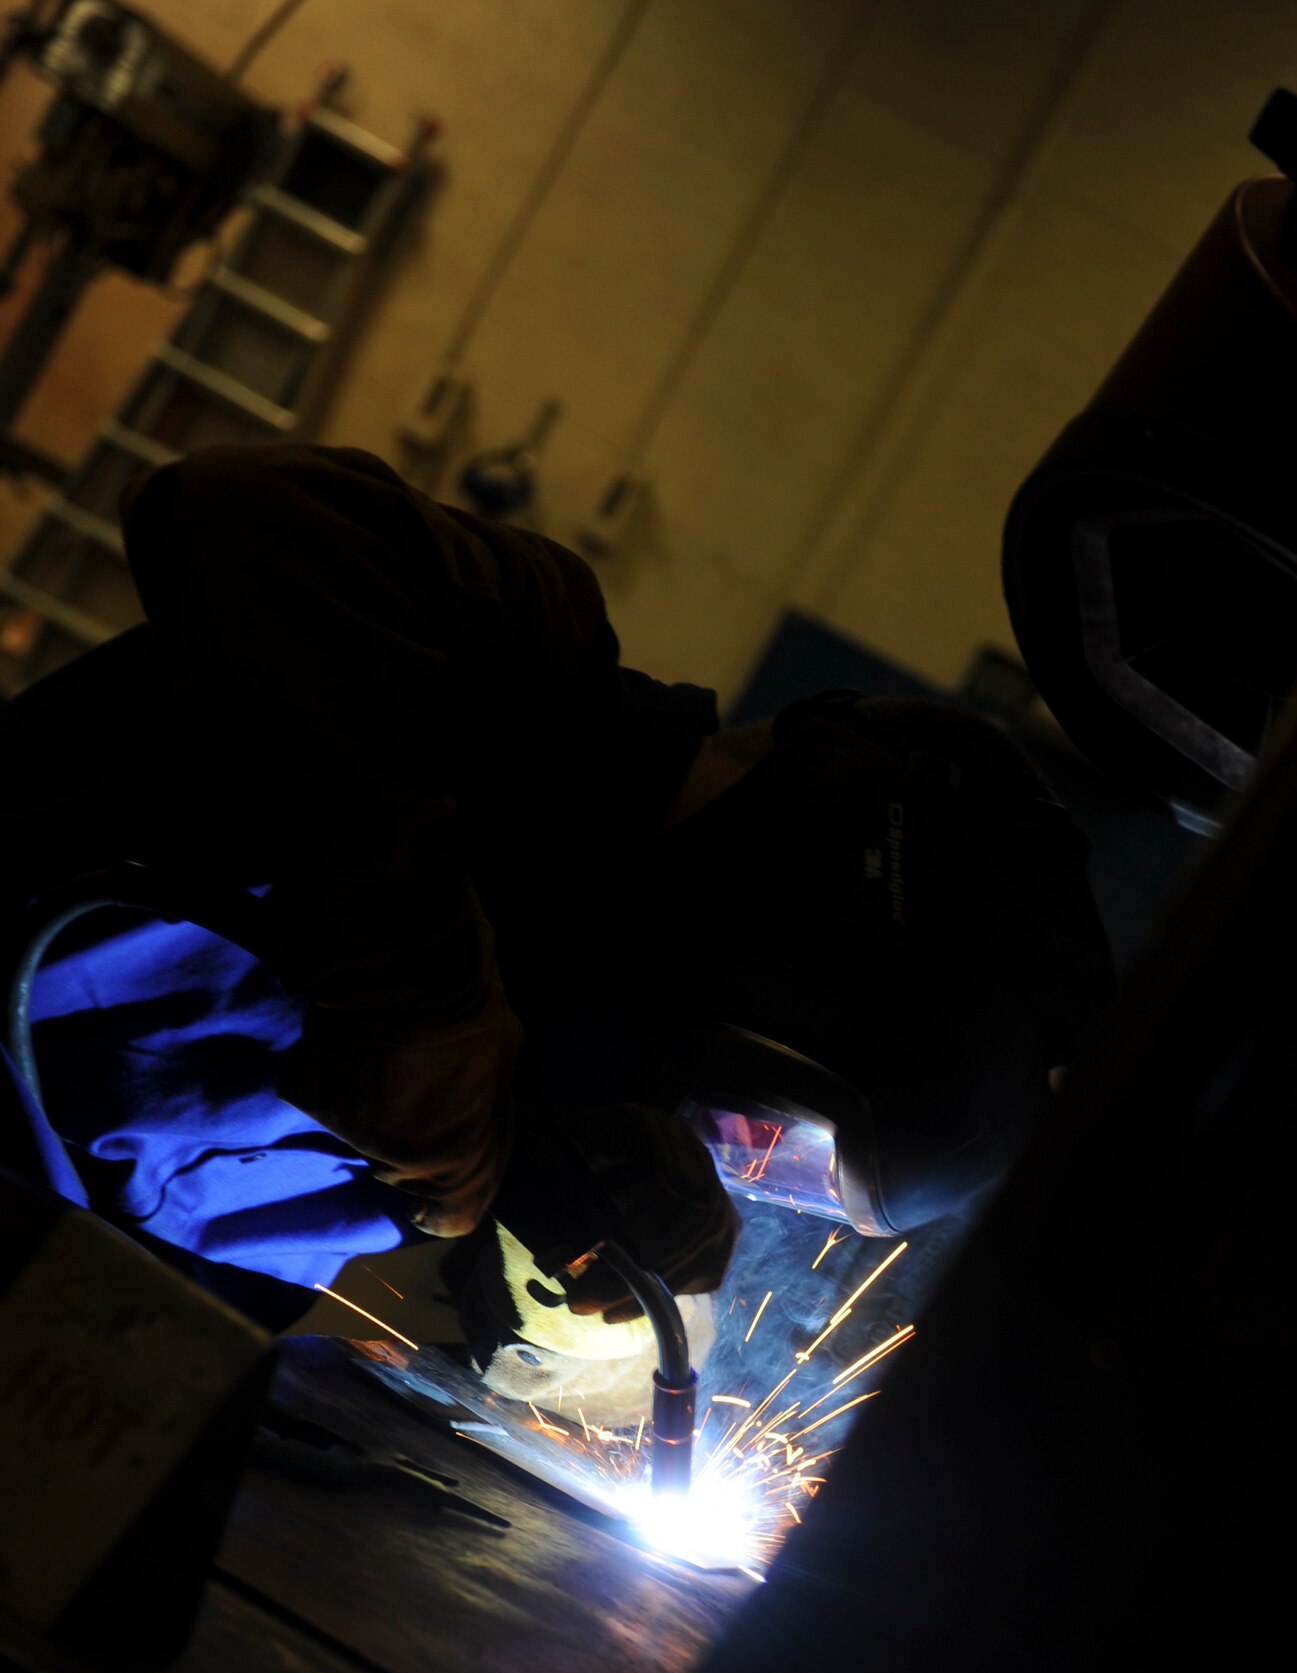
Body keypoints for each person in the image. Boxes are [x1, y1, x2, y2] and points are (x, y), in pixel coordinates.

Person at [0, 442, 1115, 1336]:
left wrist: (528, 1237)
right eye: (769, 1141)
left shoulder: (533, 1063)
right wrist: (418, 984)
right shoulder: (530, 667)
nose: (733, 1158)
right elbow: (235, 509)